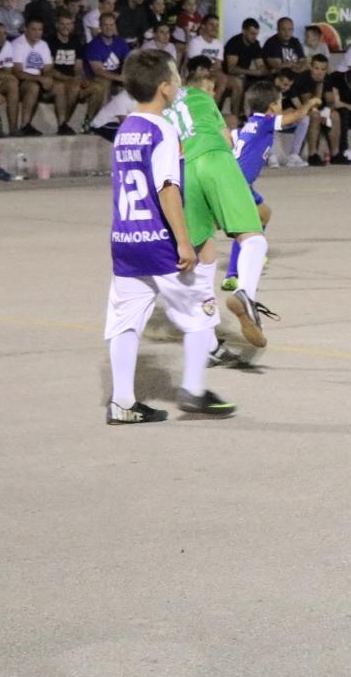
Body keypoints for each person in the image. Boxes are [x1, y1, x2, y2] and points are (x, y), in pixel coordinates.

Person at [103, 49, 238, 424]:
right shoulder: (161, 129)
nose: (181, 83)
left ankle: (122, 402)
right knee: (201, 313)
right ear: (164, 88)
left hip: (125, 240)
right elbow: (167, 188)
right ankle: (194, 390)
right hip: (159, 241)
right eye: (177, 78)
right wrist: (182, 240)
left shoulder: (125, 129)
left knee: (126, 321)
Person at [168, 58, 275, 351]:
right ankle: (245, 294)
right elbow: (226, 140)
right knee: (253, 236)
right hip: (214, 158)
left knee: (204, 253)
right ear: (202, 85)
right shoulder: (201, 98)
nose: (214, 93)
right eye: (212, 88)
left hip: (186, 171)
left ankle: (206, 337)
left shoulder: (166, 107)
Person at [220, 80, 315, 292]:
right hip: (238, 184)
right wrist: (310, 103)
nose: (281, 106)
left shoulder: (250, 124)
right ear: (272, 107)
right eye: (280, 102)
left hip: (238, 181)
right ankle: (233, 275)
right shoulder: (265, 122)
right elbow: (296, 117)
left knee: (264, 214)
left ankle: (252, 254)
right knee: (246, 228)